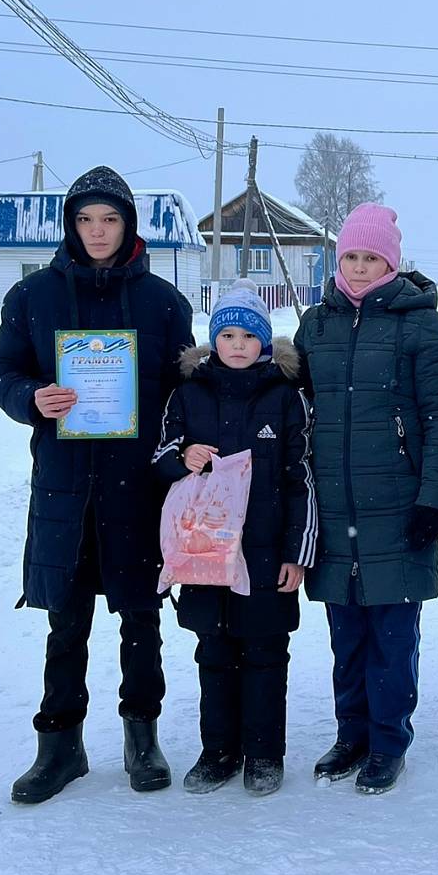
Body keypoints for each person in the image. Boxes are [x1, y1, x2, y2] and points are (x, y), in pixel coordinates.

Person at [0, 167, 194, 804]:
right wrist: (32, 397)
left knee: (141, 616)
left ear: (128, 225)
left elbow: (184, 394)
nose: (97, 231)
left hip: (138, 485)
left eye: (109, 219)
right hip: (66, 486)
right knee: (67, 619)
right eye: (85, 219)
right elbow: (2, 372)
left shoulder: (164, 303)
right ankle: (60, 745)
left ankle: (142, 737)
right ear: (70, 226)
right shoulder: (32, 297)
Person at [293, 204, 438, 795]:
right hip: (333, 503)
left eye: (372, 258)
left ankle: (389, 740)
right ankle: (352, 734)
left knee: (392, 632)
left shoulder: (421, 325)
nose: (360, 268)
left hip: (397, 502)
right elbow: (293, 406)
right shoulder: (316, 324)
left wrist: (433, 501)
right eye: (351, 257)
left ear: (391, 263)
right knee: (346, 632)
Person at [152, 284, 317, 795]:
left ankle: (264, 754)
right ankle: (218, 751)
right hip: (205, 554)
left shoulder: (286, 397)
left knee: (265, 652)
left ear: (264, 341)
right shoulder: (188, 393)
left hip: (264, 553)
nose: (238, 345)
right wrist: (183, 458)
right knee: (214, 652)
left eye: (249, 335)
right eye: (227, 335)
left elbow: (301, 477)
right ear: (213, 340)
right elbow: (159, 459)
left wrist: (297, 552)